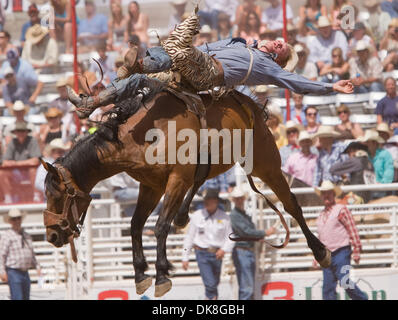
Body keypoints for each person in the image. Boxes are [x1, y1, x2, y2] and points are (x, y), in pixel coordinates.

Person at [67, 8, 355, 119]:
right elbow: (208, 46)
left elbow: (299, 83)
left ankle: (139, 63)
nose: (279, 42)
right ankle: (90, 103)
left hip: (209, 74)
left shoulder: (268, 67)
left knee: (179, 46)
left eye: (282, 47)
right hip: (192, 70)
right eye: (280, 40)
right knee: (140, 82)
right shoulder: (239, 42)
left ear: (279, 57)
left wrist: (331, 86)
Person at [314, 180, 367, 300]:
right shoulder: (321, 214)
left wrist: (357, 249)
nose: (326, 196)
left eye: (329, 193)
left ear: (333, 194)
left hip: (341, 251)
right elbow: (320, 238)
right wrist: (316, 257)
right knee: (328, 287)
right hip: (326, 255)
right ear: (322, 196)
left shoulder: (341, 209)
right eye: (324, 193)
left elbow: (352, 229)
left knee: (344, 279)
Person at [182, 189, 234, 300]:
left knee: (214, 283)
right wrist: (185, 257)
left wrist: (224, 249)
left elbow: (231, 237)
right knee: (210, 284)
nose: (206, 202)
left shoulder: (225, 217)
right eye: (205, 199)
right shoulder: (197, 215)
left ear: (216, 201)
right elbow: (189, 237)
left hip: (217, 254)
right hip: (202, 253)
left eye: (209, 199)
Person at [229, 187, 275, 300]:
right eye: (237, 199)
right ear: (234, 200)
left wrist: (257, 237)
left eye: (240, 198)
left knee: (246, 287)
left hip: (245, 251)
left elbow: (246, 232)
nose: (239, 200)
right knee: (247, 288)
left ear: (243, 199)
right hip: (242, 252)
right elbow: (246, 232)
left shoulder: (243, 215)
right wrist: (264, 233)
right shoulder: (235, 215)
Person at [0, 208, 41, 300]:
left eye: (18, 218)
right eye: (14, 219)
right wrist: (2, 272)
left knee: (25, 297)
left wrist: (37, 267)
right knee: (17, 297)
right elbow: (1, 255)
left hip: (25, 272)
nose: (17, 221)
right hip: (13, 271)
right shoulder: (7, 236)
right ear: (10, 221)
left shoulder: (26, 236)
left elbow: (31, 253)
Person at [0, 122, 42, 204]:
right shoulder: (12, 142)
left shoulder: (32, 141)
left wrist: (15, 163)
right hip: (16, 172)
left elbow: (35, 161)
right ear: (15, 133)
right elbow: (5, 162)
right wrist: (25, 163)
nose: (21, 133)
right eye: (18, 131)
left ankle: (36, 196)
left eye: (23, 131)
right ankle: (8, 198)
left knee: (33, 171)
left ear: (27, 132)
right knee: (2, 172)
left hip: (29, 172)